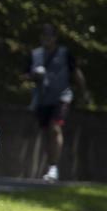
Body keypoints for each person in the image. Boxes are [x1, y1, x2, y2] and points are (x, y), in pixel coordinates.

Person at [26, 23, 83, 182]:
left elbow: (76, 73)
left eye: (50, 36)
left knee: (55, 128)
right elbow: (24, 75)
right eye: (44, 36)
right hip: (43, 99)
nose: (47, 39)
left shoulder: (65, 54)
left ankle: (53, 166)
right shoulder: (35, 55)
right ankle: (50, 165)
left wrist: (82, 92)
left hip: (61, 97)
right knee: (46, 133)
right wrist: (33, 75)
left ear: (55, 38)